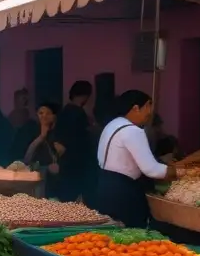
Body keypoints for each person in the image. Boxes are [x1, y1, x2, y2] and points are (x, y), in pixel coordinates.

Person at [95, 90, 175, 228]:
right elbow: (152, 170)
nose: (150, 112)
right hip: (123, 191)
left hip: (104, 185)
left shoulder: (112, 124)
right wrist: (178, 173)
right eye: (148, 106)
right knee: (131, 235)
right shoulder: (133, 131)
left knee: (110, 233)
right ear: (135, 108)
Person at [55, 80, 95, 202]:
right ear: (85, 96)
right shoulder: (79, 114)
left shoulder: (64, 111)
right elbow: (82, 140)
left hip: (65, 164)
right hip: (76, 164)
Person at [23, 101, 64, 197]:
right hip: (37, 179)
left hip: (55, 181)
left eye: (48, 113)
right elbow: (26, 158)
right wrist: (41, 136)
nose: (44, 116)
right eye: (40, 113)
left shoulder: (59, 133)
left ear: (54, 116)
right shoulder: (30, 130)